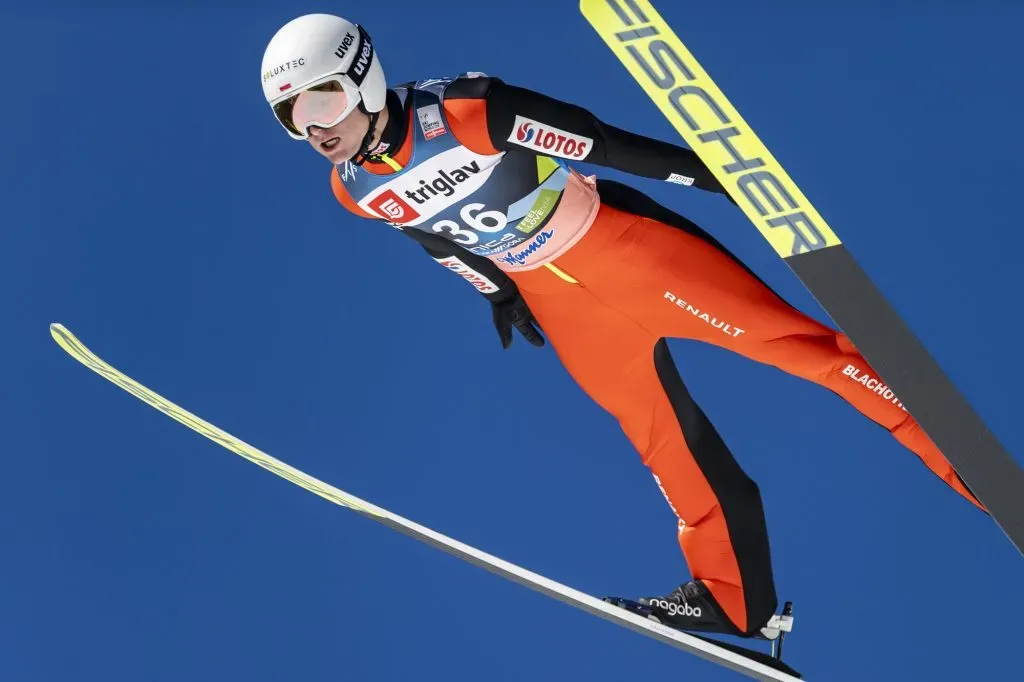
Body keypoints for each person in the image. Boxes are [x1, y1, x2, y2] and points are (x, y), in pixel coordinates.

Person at [259, 13, 985, 639]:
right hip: (562, 304)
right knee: (663, 443)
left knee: (808, 353)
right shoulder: (353, 191)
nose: (315, 129)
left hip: (629, 249)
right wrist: (496, 291)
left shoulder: (467, 112)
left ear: (362, 79)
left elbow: (601, 144)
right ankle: (733, 603)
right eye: (292, 118)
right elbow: (433, 235)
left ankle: (974, 471)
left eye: (321, 101)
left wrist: (717, 175)